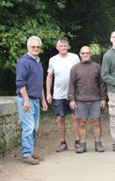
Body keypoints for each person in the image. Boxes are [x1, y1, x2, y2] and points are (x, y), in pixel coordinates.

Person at [68, 46, 108, 153]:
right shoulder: (75, 68)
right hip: (80, 100)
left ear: (91, 54)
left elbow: (102, 84)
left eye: (87, 53)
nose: (85, 55)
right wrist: (71, 99)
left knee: (96, 122)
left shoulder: (97, 67)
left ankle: (98, 143)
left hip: (96, 99)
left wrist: (103, 98)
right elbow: (71, 85)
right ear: (80, 54)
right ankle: (82, 144)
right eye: (83, 53)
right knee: (82, 122)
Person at [15, 36, 48, 165]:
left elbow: (39, 84)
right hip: (26, 99)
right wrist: (26, 100)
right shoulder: (24, 62)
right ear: (28, 47)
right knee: (28, 127)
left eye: (38, 47)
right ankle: (26, 154)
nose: (35, 49)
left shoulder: (38, 62)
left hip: (35, 100)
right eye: (33, 46)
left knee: (34, 128)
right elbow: (20, 83)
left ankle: (30, 151)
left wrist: (43, 100)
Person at [46, 38, 80, 152]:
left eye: (65, 45)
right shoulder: (53, 60)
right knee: (60, 118)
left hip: (73, 94)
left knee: (75, 117)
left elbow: (80, 73)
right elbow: (49, 76)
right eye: (61, 46)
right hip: (58, 94)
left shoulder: (74, 57)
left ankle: (78, 142)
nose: (63, 48)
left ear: (68, 46)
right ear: (57, 48)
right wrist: (48, 93)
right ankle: (63, 142)